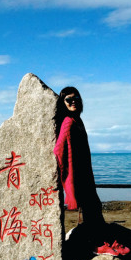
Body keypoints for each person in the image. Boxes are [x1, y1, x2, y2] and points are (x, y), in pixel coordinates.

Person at [53, 86, 105, 226]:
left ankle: (97, 240)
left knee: (93, 207)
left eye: (76, 98)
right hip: (78, 174)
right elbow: (58, 150)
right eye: (68, 99)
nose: (73, 102)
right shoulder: (68, 122)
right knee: (92, 207)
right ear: (63, 103)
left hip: (85, 173)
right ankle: (98, 244)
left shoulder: (77, 120)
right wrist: (68, 172)